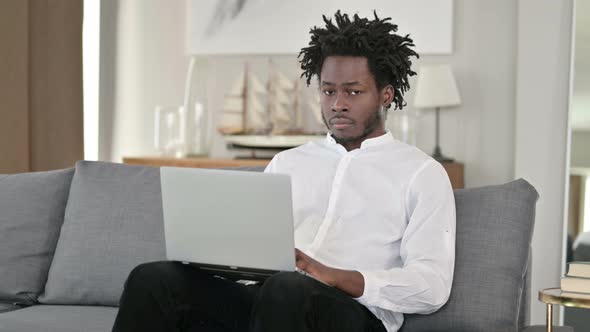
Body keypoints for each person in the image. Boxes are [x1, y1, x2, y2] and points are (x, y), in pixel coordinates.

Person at [112, 10, 455, 332]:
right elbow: (254, 249)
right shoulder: (288, 162)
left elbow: (431, 286)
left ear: (385, 95)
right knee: (154, 279)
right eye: (328, 91)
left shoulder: (421, 173)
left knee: (289, 288)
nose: (338, 104)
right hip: (270, 298)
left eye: (353, 92)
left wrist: (334, 276)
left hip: (356, 313)